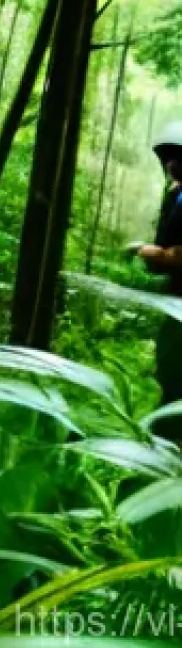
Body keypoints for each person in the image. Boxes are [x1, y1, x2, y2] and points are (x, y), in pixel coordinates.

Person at [127, 122, 182, 425]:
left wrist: (157, 253)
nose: (172, 164)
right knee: (169, 359)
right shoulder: (174, 195)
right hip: (175, 292)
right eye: (171, 157)